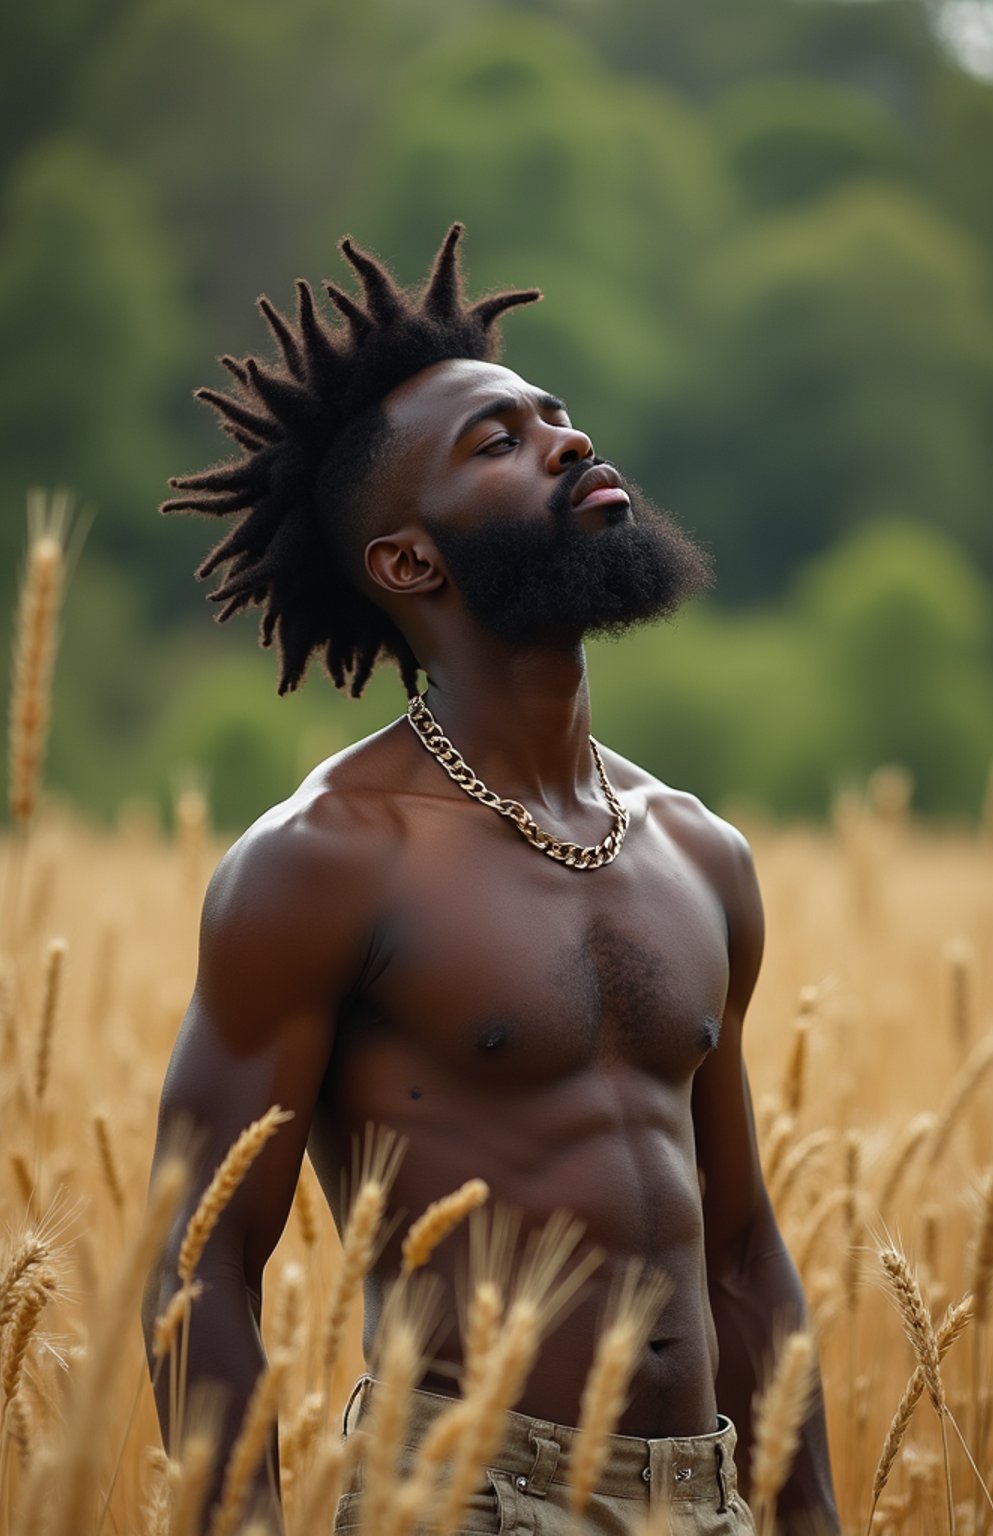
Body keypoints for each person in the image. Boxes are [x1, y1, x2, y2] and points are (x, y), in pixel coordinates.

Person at [142, 225, 839, 1535]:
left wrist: (803, 1513)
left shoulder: (698, 851)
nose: (566, 441)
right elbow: (200, 1263)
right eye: (497, 443)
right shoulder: (327, 861)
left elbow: (742, 1254)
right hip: (466, 1494)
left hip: (707, 1502)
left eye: (555, 416)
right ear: (410, 561)